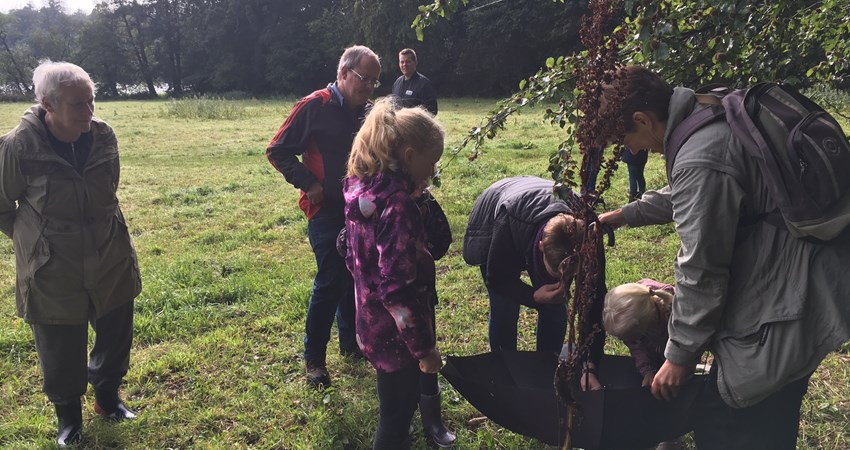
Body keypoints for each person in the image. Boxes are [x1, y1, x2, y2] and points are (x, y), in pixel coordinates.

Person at [596, 65, 850, 449]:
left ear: (642, 119)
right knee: (765, 413)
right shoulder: (706, 107)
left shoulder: (699, 156)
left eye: (625, 138)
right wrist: (622, 215)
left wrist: (679, 356)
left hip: (792, 295)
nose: (630, 150)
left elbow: (701, 269)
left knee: (734, 423)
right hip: (802, 269)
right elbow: (692, 189)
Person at [0, 61, 142, 447]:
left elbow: (108, 187)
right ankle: (68, 420)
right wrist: (33, 237)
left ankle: (108, 400)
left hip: (109, 254)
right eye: (78, 105)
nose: (89, 112)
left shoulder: (103, 136)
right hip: (51, 267)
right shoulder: (18, 146)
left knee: (116, 333)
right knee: (60, 345)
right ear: (48, 103)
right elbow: (2, 205)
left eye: (91, 101)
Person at [266, 45, 381, 389]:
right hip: (325, 209)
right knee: (331, 277)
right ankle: (314, 359)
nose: (369, 88)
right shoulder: (315, 105)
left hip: (360, 209)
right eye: (365, 79)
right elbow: (277, 150)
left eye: (375, 82)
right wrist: (309, 183)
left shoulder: (368, 111)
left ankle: (351, 344)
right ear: (343, 73)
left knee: (355, 274)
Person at [340, 98, 446, 449]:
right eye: (432, 165)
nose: (432, 174)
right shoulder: (397, 205)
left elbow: (349, 250)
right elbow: (397, 291)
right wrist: (425, 349)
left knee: (396, 408)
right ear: (411, 155)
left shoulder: (362, 187)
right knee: (395, 419)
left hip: (370, 324)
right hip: (397, 336)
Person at [463, 176, 605, 389]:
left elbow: (595, 299)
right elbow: (497, 278)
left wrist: (589, 364)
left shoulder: (589, 236)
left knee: (555, 307)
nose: (563, 281)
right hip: (500, 209)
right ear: (540, 247)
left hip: (535, 211)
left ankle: (545, 372)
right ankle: (506, 376)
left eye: (571, 275)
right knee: (505, 308)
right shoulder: (510, 221)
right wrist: (533, 297)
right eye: (557, 273)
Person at [603, 279, 674, 387]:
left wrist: (674, 366)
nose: (628, 341)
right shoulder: (633, 317)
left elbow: (685, 343)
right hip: (658, 349)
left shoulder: (676, 309)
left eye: (631, 337)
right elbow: (637, 348)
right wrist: (648, 371)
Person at [392, 48, 438, 115]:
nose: (404, 64)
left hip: (416, 124)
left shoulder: (424, 84)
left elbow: (432, 111)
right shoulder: (397, 83)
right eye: (402, 62)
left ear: (415, 62)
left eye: (408, 62)